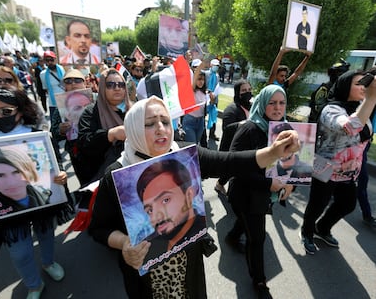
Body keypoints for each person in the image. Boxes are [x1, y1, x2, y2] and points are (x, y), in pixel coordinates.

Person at [88, 95, 300, 299]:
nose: (161, 128)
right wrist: (124, 243)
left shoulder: (186, 154)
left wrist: (273, 153)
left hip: (189, 265)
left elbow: (230, 161)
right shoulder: (116, 175)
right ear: (133, 129)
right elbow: (98, 229)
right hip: (145, 279)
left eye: (165, 121)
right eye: (149, 124)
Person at [0, 87, 74, 299]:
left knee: (46, 235)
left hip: (38, 202)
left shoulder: (37, 136)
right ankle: (33, 284)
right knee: (20, 251)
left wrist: (60, 176)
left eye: (6, 111)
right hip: (4, 211)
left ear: (20, 111)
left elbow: (55, 164)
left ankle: (48, 262)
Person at [226, 85, 295, 299]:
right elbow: (234, 165)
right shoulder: (249, 129)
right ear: (262, 103)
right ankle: (260, 282)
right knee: (257, 238)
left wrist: (291, 183)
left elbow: (296, 162)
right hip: (245, 194)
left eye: (281, 103)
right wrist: (269, 185)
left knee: (247, 222)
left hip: (264, 195)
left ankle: (232, 236)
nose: (277, 108)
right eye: (271, 103)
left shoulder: (286, 129)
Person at [300, 70, 376, 255]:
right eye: (358, 83)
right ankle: (307, 233)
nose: (363, 87)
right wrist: (371, 99)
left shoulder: (360, 107)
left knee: (348, 204)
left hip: (350, 172)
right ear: (344, 85)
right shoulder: (331, 109)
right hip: (325, 169)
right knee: (317, 205)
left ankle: (322, 228)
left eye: (365, 83)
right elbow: (350, 127)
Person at [136, 158, 206, 262]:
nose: (156, 217)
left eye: (165, 200)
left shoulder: (201, 226)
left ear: (189, 196)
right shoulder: (148, 246)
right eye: (150, 210)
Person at [77, 68, 131, 186]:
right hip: (104, 178)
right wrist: (111, 134)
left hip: (133, 173)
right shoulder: (91, 112)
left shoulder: (135, 110)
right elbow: (85, 143)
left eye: (121, 84)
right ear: (102, 88)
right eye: (110, 85)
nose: (117, 88)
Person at [0, 146, 52, 220]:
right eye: (0, 175)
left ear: (29, 171)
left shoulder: (44, 193)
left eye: (17, 172)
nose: (11, 182)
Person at [50, 68, 91, 186]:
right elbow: (53, 133)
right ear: (64, 86)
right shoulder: (61, 107)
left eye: (77, 80)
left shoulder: (96, 98)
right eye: (68, 81)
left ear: (84, 83)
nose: (73, 84)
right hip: (77, 153)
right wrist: (61, 130)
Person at [215, 79, 252, 196]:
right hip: (232, 148)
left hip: (247, 147)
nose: (248, 92)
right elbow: (227, 128)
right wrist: (243, 124)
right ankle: (220, 185)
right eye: (244, 90)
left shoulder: (251, 106)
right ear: (237, 92)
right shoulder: (231, 109)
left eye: (249, 90)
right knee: (228, 172)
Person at [182, 60, 206, 144]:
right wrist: (199, 68)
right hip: (189, 121)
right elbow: (194, 77)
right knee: (192, 146)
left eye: (203, 79)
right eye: (199, 79)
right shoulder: (191, 90)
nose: (201, 82)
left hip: (201, 121)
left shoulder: (205, 93)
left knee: (197, 144)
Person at [39, 51, 65, 118]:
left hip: (66, 101)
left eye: (51, 60)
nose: (50, 62)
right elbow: (46, 88)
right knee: (55, 125)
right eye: (47, 60)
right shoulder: (43, 74)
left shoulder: (64, 69)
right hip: (53, 103)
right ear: (45, 62)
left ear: (55, 59)